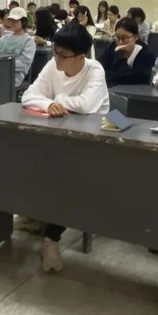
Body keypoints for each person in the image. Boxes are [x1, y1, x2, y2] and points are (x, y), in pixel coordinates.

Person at [21, 23, 110, 272]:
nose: (57, 58)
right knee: (24, 159)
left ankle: (51, 239)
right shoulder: (54, 65)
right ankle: (33, 213)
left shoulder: (94, 70)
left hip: (91, 142)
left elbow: (86, 105)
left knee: (69, 176)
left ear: (81, 56)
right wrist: (48, 105)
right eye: (55, 53)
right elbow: (28, 95)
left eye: (62, 55)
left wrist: (56, 99)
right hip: (58, 136)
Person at [99, 17, 155, 86]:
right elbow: (99, 70)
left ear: (136, 37)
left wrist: (120, 56)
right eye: (117, 37)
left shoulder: (146, 54)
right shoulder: (111, 48)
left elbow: (132, 79)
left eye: (125, 38)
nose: (120, 42)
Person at [0, 7, 37, 87]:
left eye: (15, 21)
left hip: (15, 75)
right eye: (10, 20)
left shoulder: (28, 41)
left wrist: (3, 65)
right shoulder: (5, 38)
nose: (12, 23)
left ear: (23, 22)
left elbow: (24, 63)